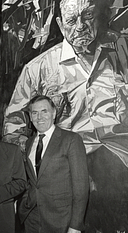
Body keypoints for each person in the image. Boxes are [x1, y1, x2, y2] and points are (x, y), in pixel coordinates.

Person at [3, 0, 128, 186]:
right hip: (67, 171)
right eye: (71, 20)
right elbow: (14, 128)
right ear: (60, 24)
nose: (79, 26)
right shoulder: (37, 69)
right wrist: (39, 164)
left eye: (87, 16)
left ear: (103, 16)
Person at [18, 95, 89, 233]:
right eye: (35, 113)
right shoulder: (29, 143)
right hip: (31, 219)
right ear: (30, 117)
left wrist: (75, 226)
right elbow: (33, 181)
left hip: (61, 221)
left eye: (44, 111)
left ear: (54, 113)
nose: (39, 117)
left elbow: (81, 187)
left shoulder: (71, 140)